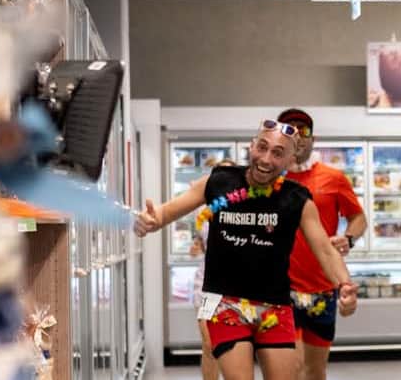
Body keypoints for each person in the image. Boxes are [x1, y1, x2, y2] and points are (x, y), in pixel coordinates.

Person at [138, 121, 359, 380]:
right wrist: (151, 220)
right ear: (251, 146)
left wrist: (345, 285)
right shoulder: (219, 181)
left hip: (275, 305)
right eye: (262, 147)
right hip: (225, 304)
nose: (266, 159)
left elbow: (325, 250)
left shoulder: (297, 198)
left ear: (291, 160)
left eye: (278, 153)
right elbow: (164, 213)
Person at [274, 109, 367, 380]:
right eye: (289, 129)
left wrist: (348, 238)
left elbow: (358, 218)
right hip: (281, 289)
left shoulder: (333, 178)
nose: (297, 136)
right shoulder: (271, 180)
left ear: (313, 139)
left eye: (303, 130)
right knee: (292, 368)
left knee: (315, 371)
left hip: (323, 289)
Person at [190, 157, 238, 380]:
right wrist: (196, 246)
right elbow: (200, 241)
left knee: (232, 348)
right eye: (220, 174)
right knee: (209, 345)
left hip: (237, 287)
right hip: (207, 286)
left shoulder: (247, 207)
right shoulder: (203, 208)